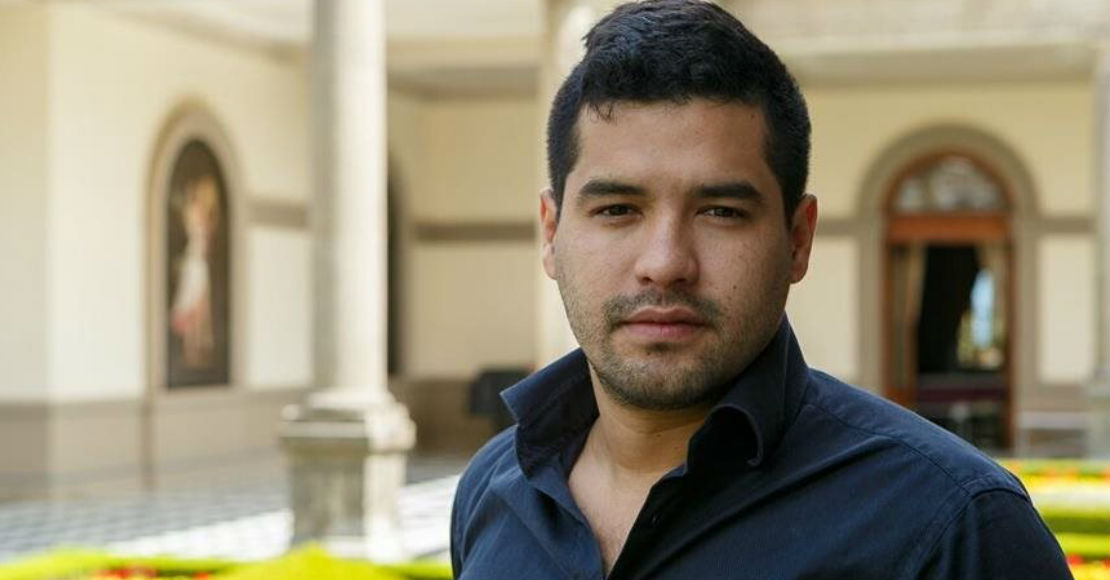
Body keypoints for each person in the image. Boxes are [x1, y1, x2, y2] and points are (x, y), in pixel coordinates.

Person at [450, 1, 1072, 578]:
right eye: (617, 209)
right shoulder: (492, 489)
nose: (665, 264)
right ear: (551, 232)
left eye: (720, 211)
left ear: (797, 240)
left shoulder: (955, 527)